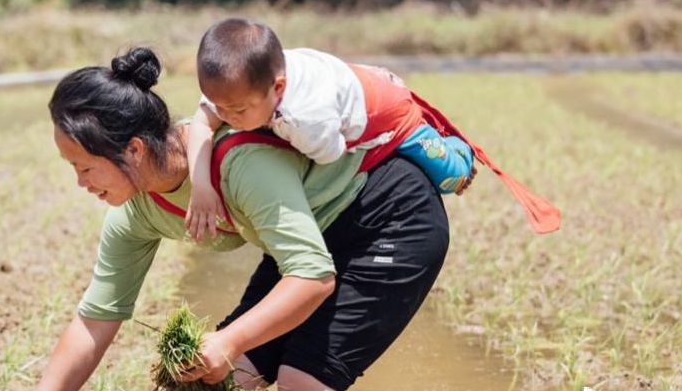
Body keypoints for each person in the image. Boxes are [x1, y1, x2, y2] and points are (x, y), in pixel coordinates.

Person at [0, 47, 453, 391]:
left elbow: (311, 278)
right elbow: (94, 322)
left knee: (303, 382)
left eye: (84, 166)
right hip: (316, 231)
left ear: (132, 149)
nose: (80, 183)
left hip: (389, 216)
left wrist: (227, 340)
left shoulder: (239, 163)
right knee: (227, 377)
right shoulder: (137, 212)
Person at [183, 18, 561, 242]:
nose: (227, 117)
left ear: (277, 88)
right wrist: (202, 186)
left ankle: (456, 151)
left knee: (449, 175)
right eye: (222, 107)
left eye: (239, 109)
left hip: (385, 111)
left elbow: (331, 157)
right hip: (343, 81)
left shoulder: (306, 119)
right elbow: (201, 121)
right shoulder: (239, 88)